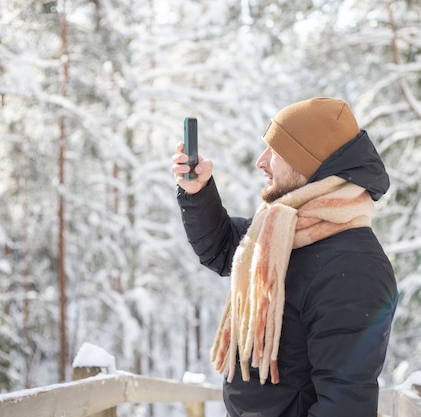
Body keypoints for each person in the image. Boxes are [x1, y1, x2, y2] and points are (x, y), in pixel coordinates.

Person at [171, 97, 398, 417]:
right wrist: (198, 193)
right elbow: (223, 250)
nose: (261, 162)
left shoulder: (354, 268)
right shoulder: (285, 231)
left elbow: (343, 407)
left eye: (276, 152)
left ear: (309, 163)